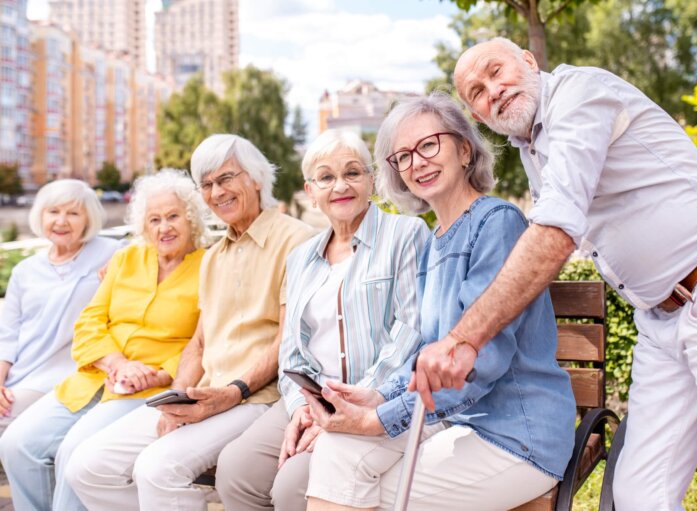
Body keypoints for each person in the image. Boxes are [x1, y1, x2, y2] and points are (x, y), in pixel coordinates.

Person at [404, 37, 697, 510]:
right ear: (477, 117)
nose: (492, 90)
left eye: (497, 71)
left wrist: (462, 339)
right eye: (476, 92)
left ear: (530, 62)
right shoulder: (531, 149)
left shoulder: (580, 94)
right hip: (661, 319)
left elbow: (556, 229)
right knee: (640, 493)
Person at [300, 93, 576, 511]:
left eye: (429, 145)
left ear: (465, 149)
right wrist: (376, 397)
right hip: (460, 423)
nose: (418, 162)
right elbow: (424, 351)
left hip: (516, 434)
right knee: (338, 451)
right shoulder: (434, 242)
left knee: (370, 488)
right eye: (403, 156)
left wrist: (379, 420)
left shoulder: (496, 223)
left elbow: (479, 364)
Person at [66, 134, 315, 510]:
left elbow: (288, 338)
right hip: (202, 393)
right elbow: (199, 343)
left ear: (257, 179)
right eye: (208, 184)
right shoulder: (214, 257)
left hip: (254, 398)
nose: (217, 192)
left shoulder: (296, 241)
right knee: (85, 467)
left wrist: (233, 392)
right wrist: (176, 398)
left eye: (227, 178)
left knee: (157, 469)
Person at [214, 129, 429, 510]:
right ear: (310, 191)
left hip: (372, 400)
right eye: (326, 177)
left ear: (371, 180)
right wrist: (301, 407)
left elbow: (411, 332)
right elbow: (292, 351)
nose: (340, 185)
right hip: (311, 400)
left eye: (352, 173)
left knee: (293, 486)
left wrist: (344, 406)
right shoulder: (301, 257)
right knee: (236, 471)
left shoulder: (405, 234)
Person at [0, 169, 208, 511]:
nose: (164, 227)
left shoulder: (209, 266)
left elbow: (204, 341)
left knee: (73, 452)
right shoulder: (126, 258)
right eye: (154, 219)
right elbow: (89, 322)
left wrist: (159, 373)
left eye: (173, 216)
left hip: (148, 387)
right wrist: (116, 362)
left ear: (192, 218)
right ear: (143, 225)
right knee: (16, 444)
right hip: (96, 378)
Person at [0, 180, 120, 436]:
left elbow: (152, 255)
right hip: (23, 374)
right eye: (53, 212)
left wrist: (120, 269)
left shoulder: (113, 252)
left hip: (70, 375)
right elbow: (7, 335)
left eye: (73, 213)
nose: (61, 221)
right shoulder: (25, 270)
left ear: (88, 219)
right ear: (41, 215)